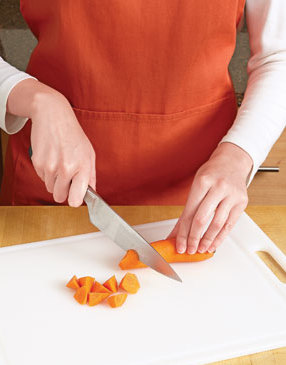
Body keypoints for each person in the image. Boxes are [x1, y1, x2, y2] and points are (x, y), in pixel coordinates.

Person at [0, 0, 285, 255]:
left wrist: (238, 154)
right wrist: (39, 99)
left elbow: (278, 57)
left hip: (196, 202)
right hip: (52, 184)